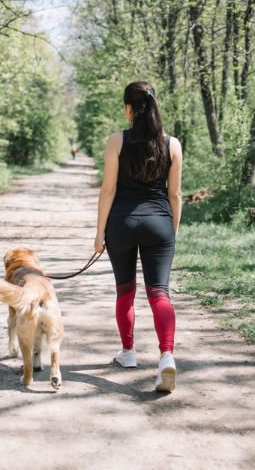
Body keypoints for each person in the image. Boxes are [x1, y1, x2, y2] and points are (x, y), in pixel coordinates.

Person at [94, 81, 182, 392]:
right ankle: (166, 356)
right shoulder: (172, 144)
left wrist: (99, 233)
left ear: (129, 109)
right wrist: (172, 231)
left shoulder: (117, 141)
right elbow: (175, 194)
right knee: (159, 293)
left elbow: (108, 190)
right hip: (159, 223)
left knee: (125, 291)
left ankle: (129, 353)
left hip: (122, 223)